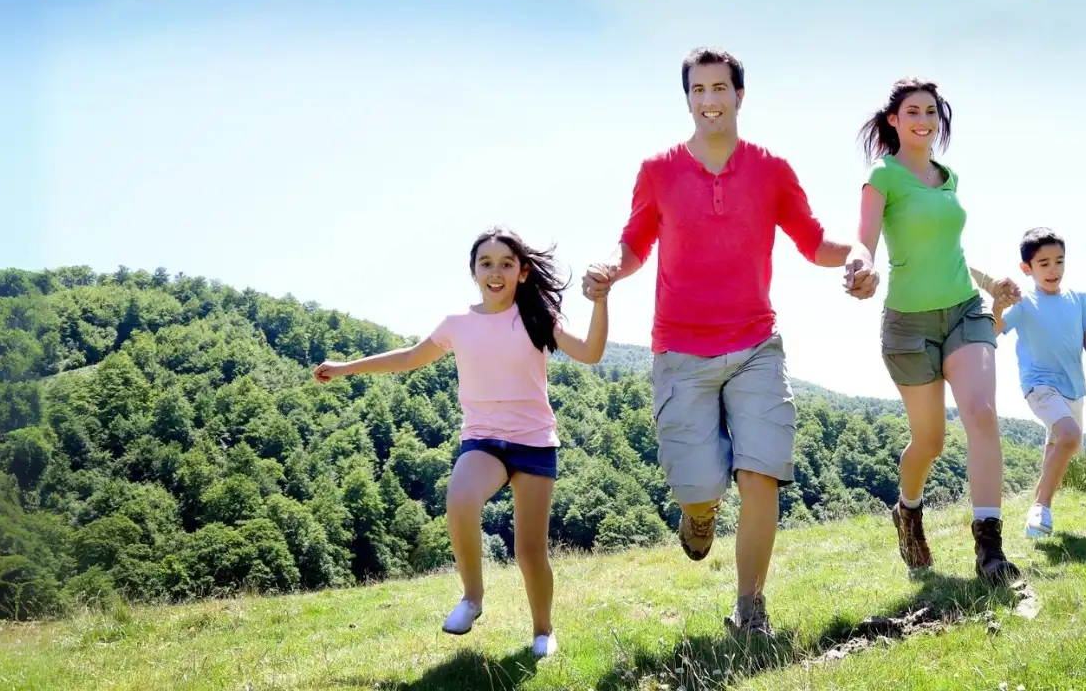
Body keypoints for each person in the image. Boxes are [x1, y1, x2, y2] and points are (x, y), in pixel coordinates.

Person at [582, 47, 868, 636]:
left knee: (761, 473)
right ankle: (699, 512)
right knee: (697, 488)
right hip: (680, 352)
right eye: (698, 89)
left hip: (755, 344)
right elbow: (633, 243)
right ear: (687, 98)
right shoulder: (658, 170)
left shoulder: (772, 169)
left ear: (740, 95)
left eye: (719, 88)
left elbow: (813, 242)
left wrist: (859, 254)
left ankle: (750, 610)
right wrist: (609, 267)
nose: (709, 100)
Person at [314, 227, 611, 659]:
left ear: (522, 272)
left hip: (533, 444)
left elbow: (591, 353)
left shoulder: (538, 318)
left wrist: (600, 302)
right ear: (473, 272)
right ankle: (472, 598)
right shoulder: (457, 324)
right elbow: (408, 357)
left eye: (506, 264)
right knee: (460, 499)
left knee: (530, 553)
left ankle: (543, 632)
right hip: (483, 441)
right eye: (485, 264)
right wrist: (345, 368)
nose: (495, 272)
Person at [841, 76, 1025, 583]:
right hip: (909, 326)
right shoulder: (883, 176)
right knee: (930, 443)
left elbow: (950, 251)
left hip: (965, 310)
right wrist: (862, 267)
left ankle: (990, 549)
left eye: (931, 112)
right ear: (894, 121)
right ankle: (908, 509)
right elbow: (864, 240)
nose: (924, 120)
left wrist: (990, 283)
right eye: (913, 112)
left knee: (981, 413)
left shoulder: (948, 177)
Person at [992, 227, 1086, 539]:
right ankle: (1042, 507)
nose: (1053, 270)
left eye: (1059, 261)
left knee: (1057, 448)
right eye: (1044, 263)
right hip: (1039, 384)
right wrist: (998, 305)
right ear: (1027, 268)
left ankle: (1036, 520)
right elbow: (992, 330)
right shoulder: (1024, 304)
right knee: (1070, 436)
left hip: (1073, 387)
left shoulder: (1079, 300)